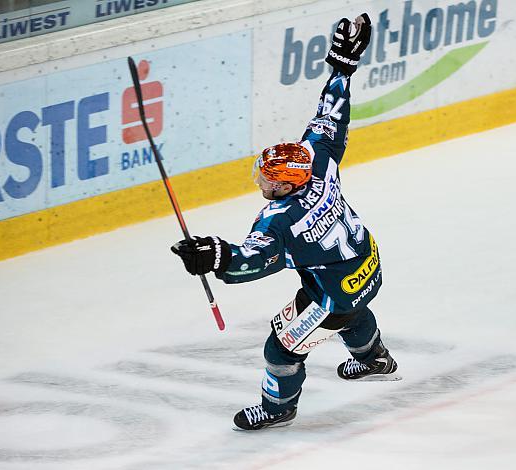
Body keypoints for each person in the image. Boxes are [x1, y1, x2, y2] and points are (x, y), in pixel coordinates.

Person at [171, 13, 399, 431]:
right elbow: (332, 113)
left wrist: (213, 255)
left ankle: (279, 408)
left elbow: (251, 262)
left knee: (282, 349)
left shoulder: (282, 223)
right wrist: (342, 65)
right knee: (350, 309)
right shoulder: (317, 158)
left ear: (282, 187)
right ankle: (374, 358)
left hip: (334, 291)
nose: (260, 182)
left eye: (266, 180)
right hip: (366, 262)